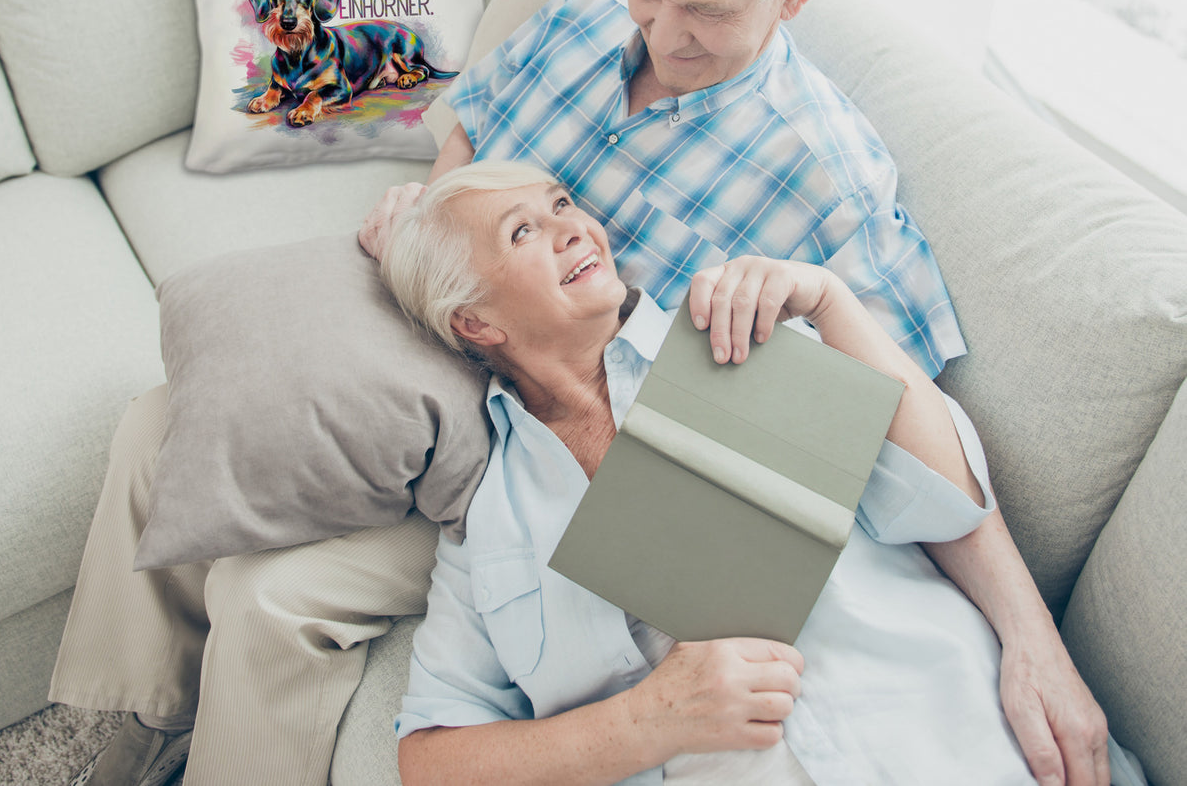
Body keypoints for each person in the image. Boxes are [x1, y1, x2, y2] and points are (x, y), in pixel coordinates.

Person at [362, 0, 1109, 785]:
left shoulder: (804, 231)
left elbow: (917, 457)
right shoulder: (581, 23)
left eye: (705, 10)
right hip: (467, 406)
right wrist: (434, 230)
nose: (662, 34)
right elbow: (472, 126)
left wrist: (1031, 641)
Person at [380, 161, 1135, 786]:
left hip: (957, 739)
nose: (574, 226)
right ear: (475, 322)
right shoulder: (489, 523)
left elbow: (946, 501)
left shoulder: (735, 334)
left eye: (562, 204)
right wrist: (646, 722)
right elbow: (431, 759)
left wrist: (831, 303)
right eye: (524, 231)